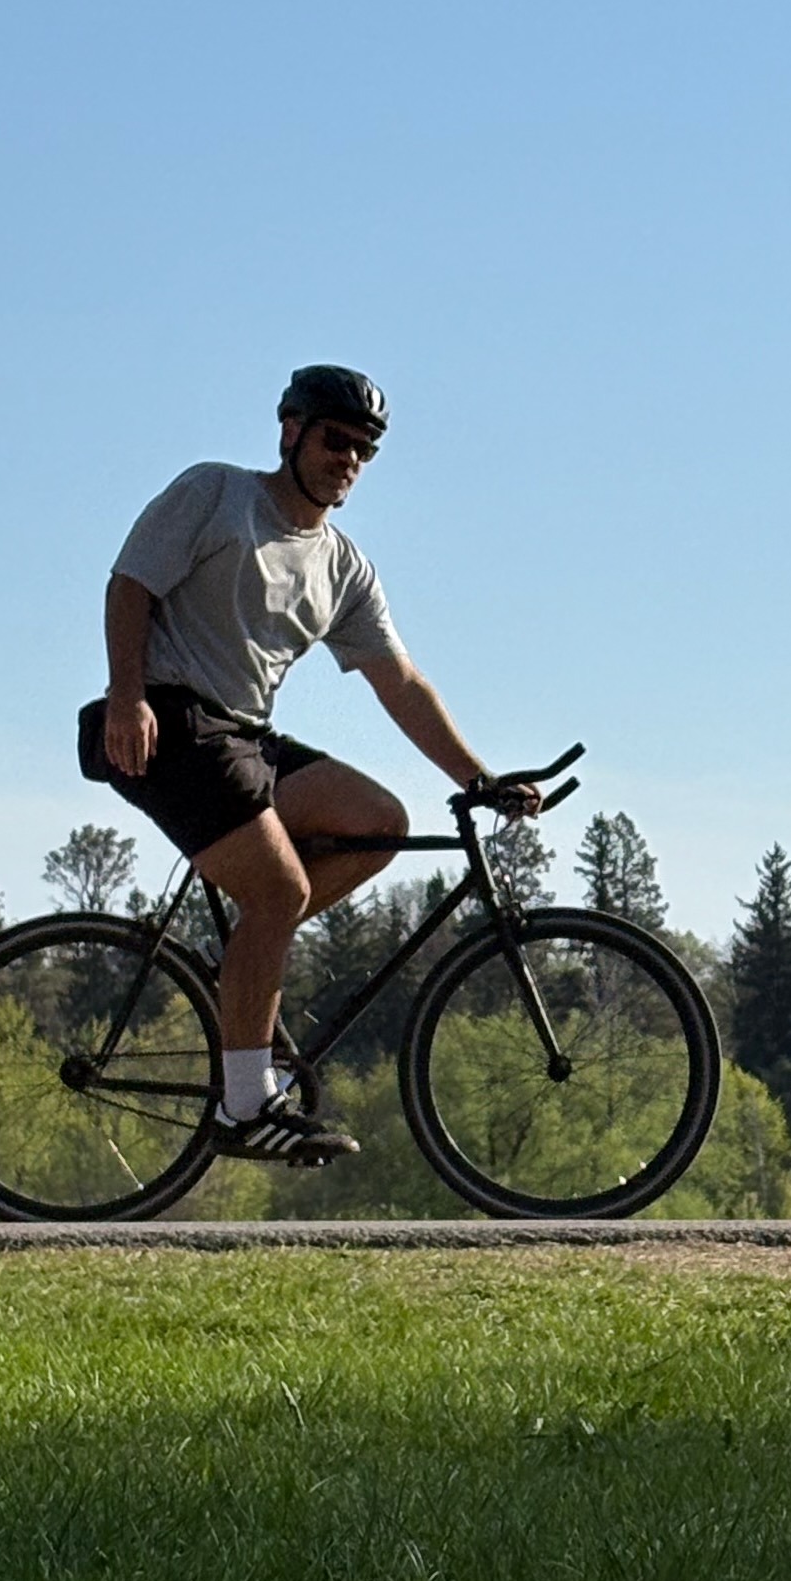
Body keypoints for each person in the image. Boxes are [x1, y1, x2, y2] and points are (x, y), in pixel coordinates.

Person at [84, 366, 540, 1163]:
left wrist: (476, 777)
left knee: (379, 824)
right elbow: (129, 586)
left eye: (364, 450)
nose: (349, 460)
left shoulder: (343, 565)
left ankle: (246, 968)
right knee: (280, 889)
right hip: (173, 723)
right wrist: (129, 697)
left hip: (245, 735)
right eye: (336, 440)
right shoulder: (216, 494)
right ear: (290, 430)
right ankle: (243, 1105)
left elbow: (399, 681)